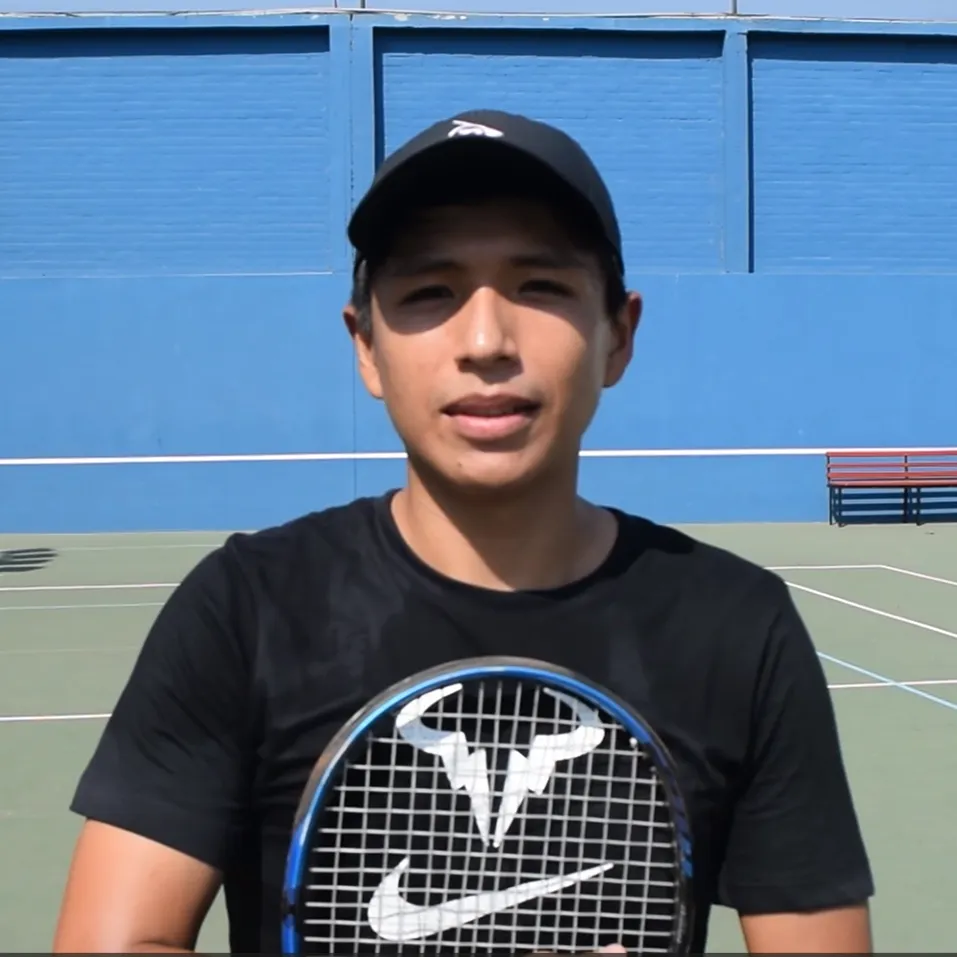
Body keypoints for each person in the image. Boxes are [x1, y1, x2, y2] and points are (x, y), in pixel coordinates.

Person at [53, 109, 874, 955]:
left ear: (617, 337)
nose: (485, 341)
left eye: (540, 286)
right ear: (365, 346)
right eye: (429, 293)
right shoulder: (245, 607)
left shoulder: (737, 625)